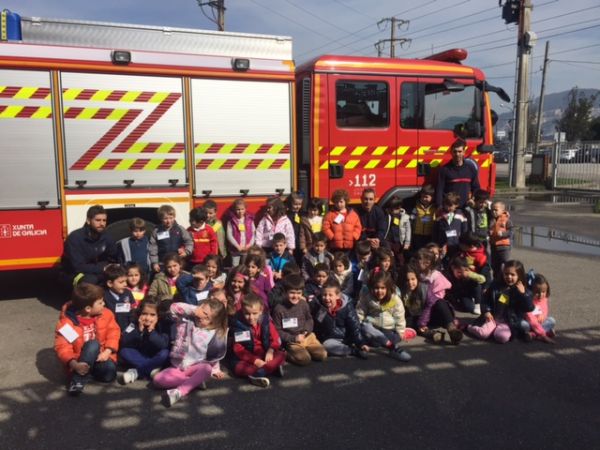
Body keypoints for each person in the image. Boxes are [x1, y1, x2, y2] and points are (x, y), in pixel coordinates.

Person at [153, 299, 228, 407]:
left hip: (196, 367)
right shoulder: (186, 320)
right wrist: (195, 310)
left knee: (207, 368)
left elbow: (213, 353)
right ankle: (195, 382)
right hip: (178, 367)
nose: (201, 316)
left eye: (207, 316)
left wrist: (216, 369)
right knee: (157, 380)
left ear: (213, 322)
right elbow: (173, 308)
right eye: (202, 309)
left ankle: (179, 392)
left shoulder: (213, 332)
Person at [54, 283, 120, 396]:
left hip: (100, 357)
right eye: (100, 303)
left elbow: (114, 332)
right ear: (88, 308)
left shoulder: (106, 314)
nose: (104, 304)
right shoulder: (67, 323)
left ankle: (87, 373)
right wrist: (74, 364)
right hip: (78, 360)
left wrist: (107, 351)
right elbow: (62, 347)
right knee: (93, 344)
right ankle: (77, 380)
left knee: (110, 374)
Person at [467, 260, 534, 344]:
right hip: (492, 318)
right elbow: (485, 299)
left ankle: (494, 331)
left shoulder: (524, 291)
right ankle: (469, 327)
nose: (509, 277)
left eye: (512, 275)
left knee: (502, 337)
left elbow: (529, 308)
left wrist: (524, 294)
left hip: (509, 322)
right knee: (483, 334)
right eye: (506, 274)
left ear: (519, 276)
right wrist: (487, 311)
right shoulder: (495, 286)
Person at [230, 293, 286, 388]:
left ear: (261, 311)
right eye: (247, 313)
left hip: (264, 353)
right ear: (242, 311)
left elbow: (276, 339)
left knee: (282, 354)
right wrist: (255, 360)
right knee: (238, 367)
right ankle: (270, 369)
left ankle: (260, 373)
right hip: (247, 357)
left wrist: (271, 350)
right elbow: (238, 350)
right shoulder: (238, 326)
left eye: (254, 313)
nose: (251, 317)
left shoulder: (266, 322)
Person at [356, 270, 412, 361]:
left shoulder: (394, 299)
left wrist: (401, 331)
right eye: (376, 288)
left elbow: (399, 315)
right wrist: (358, 325)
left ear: (388, 288)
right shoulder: (367, 297)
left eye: (383, 288)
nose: (379, 291)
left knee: (385, 340)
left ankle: (389, 345)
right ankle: (392, 347)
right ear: (371, 288)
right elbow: (360, 312)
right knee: (366, 327)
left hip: (388, 329)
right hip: (372, 328)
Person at [272, 274, 327, 366]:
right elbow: (277, 330)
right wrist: (293, 338)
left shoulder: (303, 304)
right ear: (285, 292)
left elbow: (309, 319)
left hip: (308, 337)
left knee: (322, 355)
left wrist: (306, 330)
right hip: (292, 341)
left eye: (299, 293)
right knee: (304, 359)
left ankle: (306, 349)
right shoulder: (279, 309)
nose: (295, 296)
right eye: (292, 293)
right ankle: (285, 353)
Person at [413, 248, 463, 345]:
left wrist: (423, 319)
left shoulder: (436, 276)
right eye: (417, 260)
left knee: (440, 303)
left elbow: (432, 301)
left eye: (420, 261)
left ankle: (451, 329)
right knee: (411, 321)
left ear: (428, 263)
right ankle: (432, 334)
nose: (417, 263)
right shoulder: (416, 274)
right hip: (420, 309)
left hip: (434, 309)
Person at [312, 279, 369, 359]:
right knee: (327, 345)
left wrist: (361, 343)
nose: (327, 298)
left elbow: (354, 326)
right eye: (324, 295)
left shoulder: (347, 307)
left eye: (330, 295)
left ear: (338, 296)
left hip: (347, 337)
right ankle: (352, 351)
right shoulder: (319, 307)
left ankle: (355, 349)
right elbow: (316, 326)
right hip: (331, 339)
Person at [62, 204, 118, 286]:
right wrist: (103, 268)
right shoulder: (75, 238)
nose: (102, 223)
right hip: (75, 274)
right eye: (98, 220)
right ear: (88, 221)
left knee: (120, 275)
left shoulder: (107, 237)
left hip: (99, 271)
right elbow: (77, 267)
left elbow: (113, 258)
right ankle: (82, 297)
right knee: (90, 280)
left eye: (104, 220)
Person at [118, 296, 170, 384]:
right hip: (140, 354)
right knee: (124, 351)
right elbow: (125, 340)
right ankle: (151, 371)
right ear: (139, 313)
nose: (147, 318)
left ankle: (136, 372)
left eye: (152, 315)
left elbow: (163, 344)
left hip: (155, 354)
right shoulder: (134, 322)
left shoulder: (162, 324)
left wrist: (151, 331)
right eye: (144, 314)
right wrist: (139, 330)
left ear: (159, 315)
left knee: (165, 353)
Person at [435, 138, 480, 208]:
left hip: (466, 206)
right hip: (450, 208)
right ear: (451, 152)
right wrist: (439, 206)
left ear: (464, 152)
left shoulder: (471, 169)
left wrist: (473, 199)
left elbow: (476, 187)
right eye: (455, 151)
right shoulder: (444, 170)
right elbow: (439, 190)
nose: (457, 154)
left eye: (460, 151)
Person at [149, 205, 193, 274]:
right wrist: (154, 263)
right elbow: (153, 248)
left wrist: (186, 251)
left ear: (174, 217)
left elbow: (189, 241)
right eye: (165, 218)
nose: (168, 221)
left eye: (171, 218)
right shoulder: (156, 231)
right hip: (162, 264)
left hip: (177, 263)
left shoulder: (180, 229)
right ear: (161, 218)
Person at [322, 189, 362, 253]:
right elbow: (325, 227)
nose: (339, 204)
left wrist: (354, 236)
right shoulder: (330, 215)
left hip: (349, 246)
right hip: (335, 246)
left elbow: (358, 227)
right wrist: (332, 237)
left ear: (345, 201)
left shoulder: (353, 214)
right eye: (336, 202)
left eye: (341, 202)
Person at [521, 273, 556, 343]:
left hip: (539, 323)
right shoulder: (528, 301)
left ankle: (533, 334)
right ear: (530, 290)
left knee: (552, 320)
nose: (540, 295)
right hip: (529, 322)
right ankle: (544, 333)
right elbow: (531, 319)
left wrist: (542, 315)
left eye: (543, 292)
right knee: (524, 325)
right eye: (537, 292)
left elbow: (545, 311)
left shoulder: (544, 299)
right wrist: (543, 335)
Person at [433, 192, 468, 261]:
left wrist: (463, 243)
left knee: (455, 261)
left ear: (456, 205)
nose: (448, 207)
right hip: (442, 245)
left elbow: (464, 230)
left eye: (451, 205)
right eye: (446, 205)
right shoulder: (439, 215)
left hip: (456, 245)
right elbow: (435, 231)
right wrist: (436, 245)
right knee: (443, 262)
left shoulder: (460, 215)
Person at [103, 264, 136, 332]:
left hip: (127, 331)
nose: (125, 284)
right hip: (111, 332)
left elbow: (133, 313)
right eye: (121, 282)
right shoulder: (104, 297)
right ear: (110, 283)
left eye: (125, 281)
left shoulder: (128, 293)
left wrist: (129, 330)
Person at [226, 198, 256, 267]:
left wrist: (249, 245)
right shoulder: (231, 221)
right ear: (234, 209)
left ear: (245, 209)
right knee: (235, 266)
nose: (240, 211)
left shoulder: (250, 220)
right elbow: (229, 235)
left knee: (245, 266)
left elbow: (253, 233)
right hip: (235, 250)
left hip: (246, 249)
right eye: (238, 209)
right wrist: (237, 246)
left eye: (242, 209)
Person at [383, 195, 411, 268]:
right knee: (390, 256)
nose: (393, 211)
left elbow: (408, 230)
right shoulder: (388, 215)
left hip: (399, 241)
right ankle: (393, 270)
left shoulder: (405, 217)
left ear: (400, 207)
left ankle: (401, 269)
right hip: (389, 240)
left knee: (400, 257)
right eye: (391, 209)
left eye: (395, 209)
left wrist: (407, 242)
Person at [489, 201, 513, 280]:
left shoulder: (506, 220)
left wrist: (503, 234)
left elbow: (511, 232)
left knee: (505, 264)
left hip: (504, 247)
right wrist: (489, 232)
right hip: (494, 247)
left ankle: (506, 279)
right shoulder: (492, 220)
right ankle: (496, 281)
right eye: (492, 210)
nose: (494, 212)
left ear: (502, 210)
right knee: (495, 265)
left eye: (496, 210)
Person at [410, 184, 436, 252]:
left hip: (429, 235)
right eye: (422, 197)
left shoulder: (434, 208)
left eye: (426, 197)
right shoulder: (416, 207)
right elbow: (412, 218)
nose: (424, 199)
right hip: (417, 235)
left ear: (432, 197)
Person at [286, 191, 305, 264]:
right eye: (295, 204)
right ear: (290, 204)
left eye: (299, 204)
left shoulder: (301, 214)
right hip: (291, 242)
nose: (297, 206)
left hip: (299, 241)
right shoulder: (287, 215)